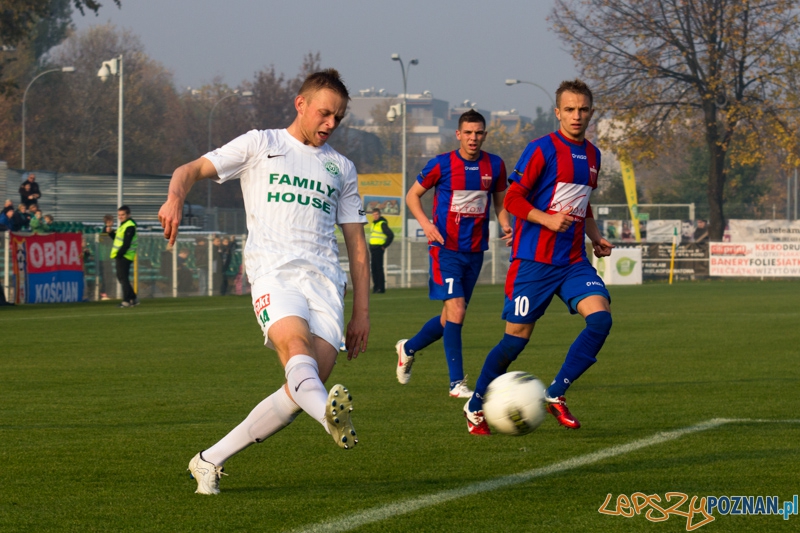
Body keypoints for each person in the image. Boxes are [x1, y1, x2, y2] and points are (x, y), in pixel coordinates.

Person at [157, 69, 370, 495]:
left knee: (302, 389)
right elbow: (190, 169)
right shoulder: (261, 144)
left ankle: (209, 459)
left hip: (326, 285)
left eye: (338, 119)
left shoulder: (341, 167)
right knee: (296, 351)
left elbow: (358, 246)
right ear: (301, 104)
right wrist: (175, 196)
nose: (330, 124)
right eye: (325, 114)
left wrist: (362, 313)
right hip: (274, 272)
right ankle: (329, 417)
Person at [463, 79, 614, 435]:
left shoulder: (594, 155)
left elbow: (583, 202)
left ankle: (556, 393)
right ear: (558, 112)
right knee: (515, 341)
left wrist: (596, 238)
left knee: (601, 320)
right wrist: (546, 219)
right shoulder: (542, 149)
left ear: (591, 113)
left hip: (573, 261)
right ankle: (475, 404)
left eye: (584, 110)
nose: (577, 116)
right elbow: (513, 198)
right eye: (570, 110)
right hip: (533, 262)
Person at [395, 110, 512, 399]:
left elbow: (500, 203)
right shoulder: (442, 164)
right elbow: (412, 196)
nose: (474, 138)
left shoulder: (495, 165)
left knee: (450, 318)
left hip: (474, 252)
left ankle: (408, 348)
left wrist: (506, 225)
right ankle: (456, 383)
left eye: (479, 133)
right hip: (445, 250)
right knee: (457, 311)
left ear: (485, 134)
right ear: (458, 134)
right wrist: (426, 225)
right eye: (468, 133)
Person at [108, 205, 139, 308]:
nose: (120, 217)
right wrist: (110, 232)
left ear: (128, 215)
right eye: (119, 215)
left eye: (123, 214)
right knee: (121, 278)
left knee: (123, 278)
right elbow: (117, 239)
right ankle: (133, 298)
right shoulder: (124, 225)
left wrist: (119, 254)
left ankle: (126, 300)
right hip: (123, 255)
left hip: (125, 256)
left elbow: (126, 243)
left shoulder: (129, 226)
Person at [368, 208, 394, 293]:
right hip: (373, 249)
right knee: (374, 268)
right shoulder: (374, 223)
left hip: (379, 248)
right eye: (374, 214)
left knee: (378, 269)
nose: (375, 216)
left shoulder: (382, 224)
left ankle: (381, 288)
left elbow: (390, 235)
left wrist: (384, 246)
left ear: (379, 215)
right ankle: (376, 287)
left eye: (377, 214)